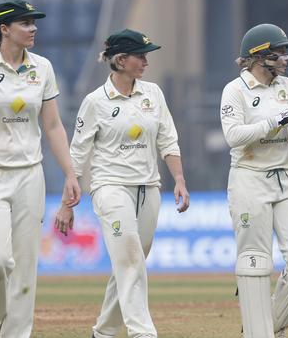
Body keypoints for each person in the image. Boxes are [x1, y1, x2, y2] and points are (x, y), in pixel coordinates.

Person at [0, 0, 80, 338]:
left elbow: (52, 126)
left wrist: (70, 173)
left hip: (29, 177)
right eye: (25, 23)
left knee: (23, 269)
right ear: (4, 29)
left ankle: (16, 334)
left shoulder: (43, 68)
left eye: (34, 22)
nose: (33, 28)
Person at [55, 28, 190, 338]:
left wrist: (179, 179)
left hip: (149, 188)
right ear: (119, 60)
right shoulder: (95, 102)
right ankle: (143, 332)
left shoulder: (153, 94)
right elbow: (78, 154)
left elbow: (168, 139)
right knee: (129, 258)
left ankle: (102, 333)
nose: (145, 61)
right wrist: (66, 205)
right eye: (140, 56)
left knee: (131, 261)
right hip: (110, 187)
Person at [220, 23, 288, 338]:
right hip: (249, 179)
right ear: (257, 56)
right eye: (278, 53)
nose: (284, 59)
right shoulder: (235, 90)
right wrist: (273, 121)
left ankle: (271, 324)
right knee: (254, 262)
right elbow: (233, 136)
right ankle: (258, 333)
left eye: (284, 53)